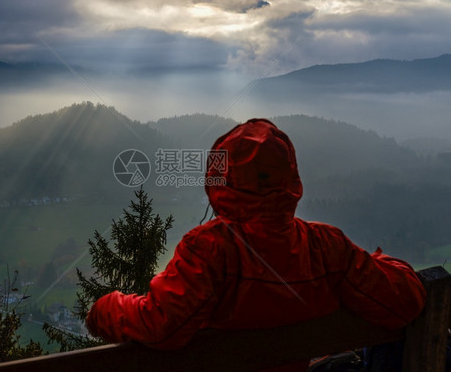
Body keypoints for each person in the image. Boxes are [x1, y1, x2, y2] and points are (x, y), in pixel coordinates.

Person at [85, 118, 426, 371]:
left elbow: (159, 326)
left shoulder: (209, 250)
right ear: (291, 180)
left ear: (220, 182)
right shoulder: (325, 246)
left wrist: (104, 309)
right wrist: (382, 261)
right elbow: (405, 301)